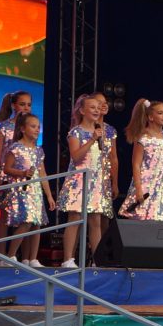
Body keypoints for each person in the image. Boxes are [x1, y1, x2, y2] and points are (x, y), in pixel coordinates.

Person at [59, 92, 117, 268]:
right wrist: (92, 140)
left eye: (98, 108)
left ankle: (96, 259)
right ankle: (68, 259)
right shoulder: (75, 132)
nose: (97, 110)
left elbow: (107, 158)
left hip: (96, 181)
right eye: (92, 107)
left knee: (95, 221)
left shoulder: (102, 133)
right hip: (79, 181)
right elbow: (76, 156)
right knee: (75, 217)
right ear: (82, 111)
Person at [0, 113, 55, 266]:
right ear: (23, 129)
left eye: (38, 127)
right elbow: (7, 169)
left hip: (35, 191)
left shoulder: (38, 151)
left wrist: (49, 196)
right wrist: (22, 173)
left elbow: (42, 173)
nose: (37, 130)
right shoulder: (15, 148)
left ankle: (32, 258)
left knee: (36, 223)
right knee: (27, 222)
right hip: (22, 191)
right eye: (33, 126)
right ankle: (10, 255)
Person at [119, 98, 163, 222]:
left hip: (161, 186)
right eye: (160, 113)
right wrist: (138, 189)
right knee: (143, 218)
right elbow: (136, 164)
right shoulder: (143, 137)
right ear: (150, 117)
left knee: (160, 219)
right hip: (145, 185)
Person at [0, 90, 35, 194]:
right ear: (14, 106)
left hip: (25, 175)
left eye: (29, 105)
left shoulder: (32, 127)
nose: (26, 108)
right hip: (6, 177)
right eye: (22, 104)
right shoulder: (5, 127)